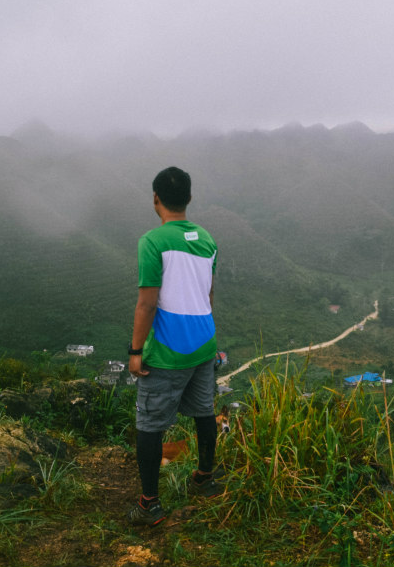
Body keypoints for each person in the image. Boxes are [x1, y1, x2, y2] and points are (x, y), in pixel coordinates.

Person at [127, 166, 223, 527]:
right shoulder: (208, 240)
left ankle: (150, 504)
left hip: (169, 350)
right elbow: (209, 295)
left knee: (150, 425)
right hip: (204, 343)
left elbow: (147, 303)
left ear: (156, 199)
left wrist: (136, 352)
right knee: (203, 411)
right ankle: (204, 478)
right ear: (189, 198)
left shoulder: (152, 242)